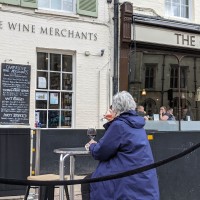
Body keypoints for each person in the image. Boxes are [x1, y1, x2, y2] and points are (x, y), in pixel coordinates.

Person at [81, 91, 159, 200]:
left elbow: (100, 152)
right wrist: (113, 122)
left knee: (87, 182)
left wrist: (92, 146)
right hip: (143, 180)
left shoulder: (119, 125)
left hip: (127, 180)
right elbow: (118, 142)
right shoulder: (138, 125)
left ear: (116, 108)